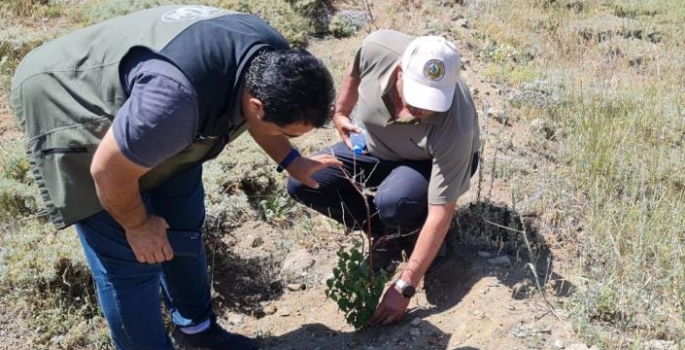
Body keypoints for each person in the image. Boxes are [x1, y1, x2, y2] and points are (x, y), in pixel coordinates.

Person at [11, 5, 340, 350]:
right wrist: (137, 226)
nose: (285, 137)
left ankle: (197, 332)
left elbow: (262, 121)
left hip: (153, 113)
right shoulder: (172, 104)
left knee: (182, 226)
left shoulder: (272, 56)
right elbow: (107, 172)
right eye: (287, 133)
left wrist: (293, 160)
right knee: (129, 261)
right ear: (257, 106)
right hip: (67, 94)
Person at [287, 30, 480, 326]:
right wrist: (340, 113)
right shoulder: (377, 48)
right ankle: (385, 234)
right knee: (305, 181)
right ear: (400, 71)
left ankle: (416, 235)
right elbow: (354, 72)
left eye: (428, 104)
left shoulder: (456, 125)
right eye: (413, 98)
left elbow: (442, 211)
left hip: (426, 165)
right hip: (377, 152)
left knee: (396, 202)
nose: (412, 112)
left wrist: (406, 285)